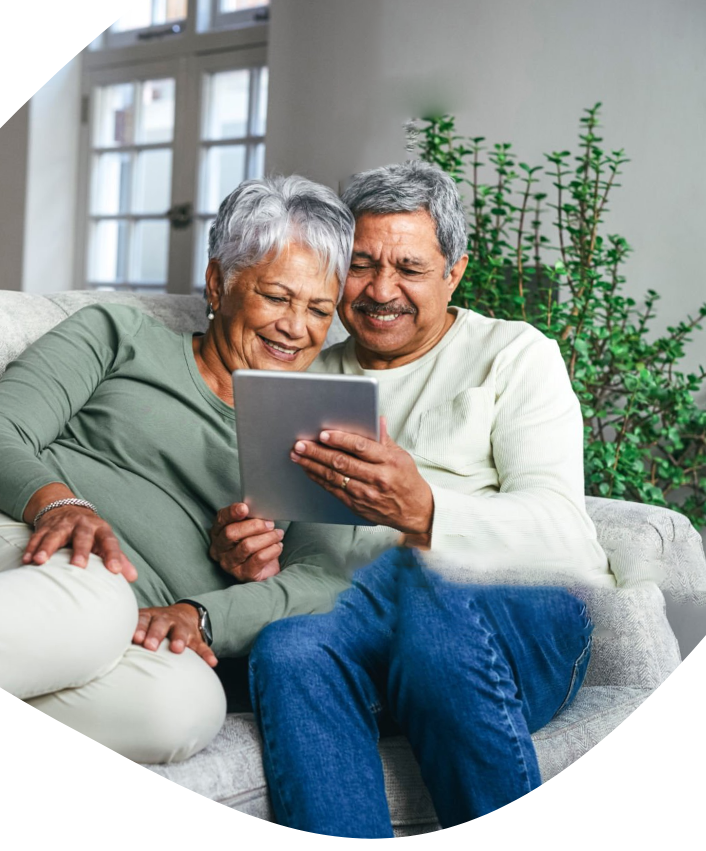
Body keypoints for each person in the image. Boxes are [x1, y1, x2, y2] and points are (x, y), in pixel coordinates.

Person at [0, 174, 356, 765]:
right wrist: (61, 503)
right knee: (97, 603)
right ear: (218, 283)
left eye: (320, 308)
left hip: (127, 632)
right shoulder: (121, 336)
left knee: (185, 708)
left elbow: (325, 579)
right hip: (4, 542)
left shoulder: (321, 429)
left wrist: (205, 612)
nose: (298, 327)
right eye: (278, 296)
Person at [209, 161, 614, 836]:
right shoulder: (305, 370)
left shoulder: (513, 354)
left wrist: (423, 509)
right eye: (362, 265)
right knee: (288, 647)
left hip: (523, 616)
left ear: (452, 272)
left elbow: (566, 533)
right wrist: (247, 547)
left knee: (429, 600)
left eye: (409, 267)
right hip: (362, 618)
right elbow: (292, 544)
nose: (380, 289)